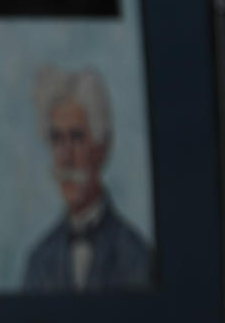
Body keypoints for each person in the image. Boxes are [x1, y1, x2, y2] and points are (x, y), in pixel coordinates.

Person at [23, 65, 153, 291]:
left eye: (77, 137)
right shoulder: (39, 260)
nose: (65, 157)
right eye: (56, 140)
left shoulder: (137, 256)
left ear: (101, 147)